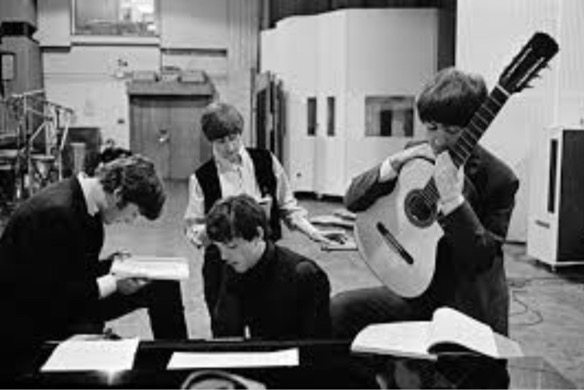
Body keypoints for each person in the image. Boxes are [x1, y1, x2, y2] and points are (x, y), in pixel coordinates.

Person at [331, 67, 519, 341]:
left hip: (465, 305)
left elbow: (480, 258)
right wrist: (393, 163)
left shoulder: (499, 178)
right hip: (413, 288)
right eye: (431, 127)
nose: (438, 140)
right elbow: (353, 200)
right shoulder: (418, 153)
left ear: (474, 130)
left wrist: (453, 200)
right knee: (340, 310)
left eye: (452, 130)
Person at [0, 155, 187, 377]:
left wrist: (112, 266)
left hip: (63, 297)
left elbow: (70, 268)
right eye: (134, 214)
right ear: (118, 195)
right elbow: (56, 295)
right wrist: (114, 282)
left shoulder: (84, 203)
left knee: (163, 286)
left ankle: (178, 366)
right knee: (95, 333)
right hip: (36, 319)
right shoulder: (55, 214)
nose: (129, 221)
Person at [183, 102, 345, 320]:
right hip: (223, 265)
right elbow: (192, 227)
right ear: (210, 141)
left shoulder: (266, 161)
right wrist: (202, 233)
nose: (230, 147)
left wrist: (313, 232)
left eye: (234, 138)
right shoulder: (202, 178)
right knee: (226, 331)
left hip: (264, 262)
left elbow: (288, 207)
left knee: (270, 323)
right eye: (221, 142)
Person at [205, 194, 331, 339]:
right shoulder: (234, 265)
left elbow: (316, 347)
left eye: (232, 246)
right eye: (219, 248)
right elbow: (226, 333)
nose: (224, 257)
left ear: (258, 234)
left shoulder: (305, 275)